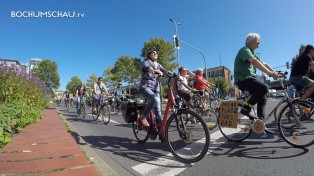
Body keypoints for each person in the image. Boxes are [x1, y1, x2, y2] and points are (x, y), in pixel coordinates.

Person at [234, 33, 278, 134]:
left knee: (262, 97)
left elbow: (264, 63)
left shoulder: (253, 53)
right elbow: (253, 62)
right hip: (242, 79)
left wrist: (274, 72)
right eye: (257, 40)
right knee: (264, 88)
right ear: (251, 41)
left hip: (249, 78)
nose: (259, 42)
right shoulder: (244, 50)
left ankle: (260, 124)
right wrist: (268, 72)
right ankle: (245, 109)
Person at [139, 48, 168, 135]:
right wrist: (155, 71)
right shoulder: (146, 62)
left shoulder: (159, 65)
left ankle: (161, 133)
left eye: (156, 53)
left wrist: (176, 76)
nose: (155, 54)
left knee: (158, 112)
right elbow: (148, 68)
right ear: (149, 55)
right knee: (155, 100)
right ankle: (143, 117)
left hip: (156, 89)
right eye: (153, 53)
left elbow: (165, 71)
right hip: (145, 87)